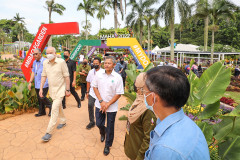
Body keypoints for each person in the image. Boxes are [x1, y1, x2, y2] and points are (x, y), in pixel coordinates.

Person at [144, 66, 210, 160]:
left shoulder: (165, 150)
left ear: (153, 98)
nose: (143, 95)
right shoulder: (187, 124)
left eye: (144, 91)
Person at [92, 56, 124, 156]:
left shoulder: (118, 77)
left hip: (112, 107)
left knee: (110, 126)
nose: (106, 65)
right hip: (99, 104)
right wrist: (101, 102)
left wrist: (108, 104)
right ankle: (102, 132)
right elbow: (95, 87)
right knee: (98, 123)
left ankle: (107, 145)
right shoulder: (98, 74)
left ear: (114, 65)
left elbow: (118, 93)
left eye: (109, 63)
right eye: (105, 63)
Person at [39, 47, 71, 142]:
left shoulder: (61, 62)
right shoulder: (45, 63)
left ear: (55, 53)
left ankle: (48, 132)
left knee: (54, 109)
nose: (49, 54)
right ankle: (63, 121)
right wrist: (41, 89)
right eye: (47, 52)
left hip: (60, 90)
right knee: (59, 106)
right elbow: (43, 76)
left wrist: (68, 89)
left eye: (51, 52)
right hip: (52, 90)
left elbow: (66, 76)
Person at [124, 72, 156, 160]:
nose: (135, 85)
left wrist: (139, 157)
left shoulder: (148, 109)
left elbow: (148, 138)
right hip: (132, 147)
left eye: (137, 83)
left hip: (137, 153)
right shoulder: (139, 100)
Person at [28, 48, 52, 117]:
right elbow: (33, 72)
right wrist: (30, 82)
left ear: (40, 54)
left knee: (42, 97)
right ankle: (42, 112)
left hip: (44, 83)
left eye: (36, 54)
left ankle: (51, 106)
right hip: (36, 83)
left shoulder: (45, 61)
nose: (35, 55)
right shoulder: (34, 62)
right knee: (39, 98)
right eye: (33, 54)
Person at [85, 57, 103, 129]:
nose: (95, 65)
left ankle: (100, 121)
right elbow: (88, 81)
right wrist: (87, 91)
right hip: (92, 92)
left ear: (100, 64)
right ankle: (92, 122)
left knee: (99, 107)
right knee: (90, 105)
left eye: (97, 64)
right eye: (94, 63)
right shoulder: (91, 72)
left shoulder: (103, 72)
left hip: (100, 93)